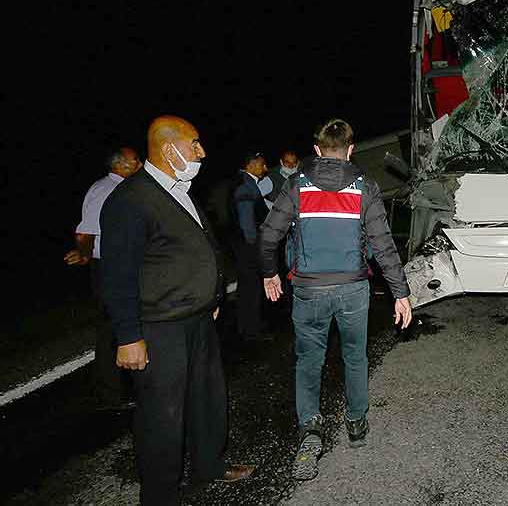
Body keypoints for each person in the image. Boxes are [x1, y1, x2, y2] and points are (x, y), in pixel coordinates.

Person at [99, 115, 254, 505]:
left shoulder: (180, 189)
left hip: (198, 319)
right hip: (159, 328)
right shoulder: (130, 200)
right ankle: (159, 495)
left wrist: (213, 297)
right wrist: (129, 335)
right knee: (162, 416)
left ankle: (210, 465)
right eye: (195, 144)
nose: (202, 151)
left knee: (207, 399)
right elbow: (117, 275)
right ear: (169, 150)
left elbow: (198, 247)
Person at [258, 118, 413, 481]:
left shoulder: (296, 186)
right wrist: (400, 293)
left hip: (309, 290)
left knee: (308, 361)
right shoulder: (365, 188)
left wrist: (270, 272)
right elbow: (382, 245)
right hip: (353, 290)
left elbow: (268, 236)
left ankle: (310, 429)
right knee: (354, 356)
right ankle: (356, 422)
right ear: (351, 149)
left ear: (316, 150)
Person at [64, 146, 141, 411]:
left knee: (126, 323)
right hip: (109, 268)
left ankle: (129, 383)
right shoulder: (105, 190)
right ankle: (110, 395)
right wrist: (84, 255)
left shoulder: (121, 188)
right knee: (111, 329)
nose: (140, 164)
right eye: (135, 161)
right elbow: (85, 231)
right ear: (120, 165)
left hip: (122, 266)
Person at [230, 151, 271, 341]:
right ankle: (251, 331)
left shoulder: (242, 181)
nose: (265, 168)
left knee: (247, 287)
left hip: (242, 245)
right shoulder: (245, 185)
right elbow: (247, 221)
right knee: (252, 287)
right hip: (248, 246)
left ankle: (246, 326)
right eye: (262, 164)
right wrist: (256, 247)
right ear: (251, 164)